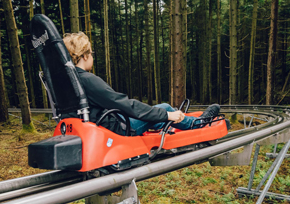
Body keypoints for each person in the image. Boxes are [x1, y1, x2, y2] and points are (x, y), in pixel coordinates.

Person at [62, 32, 220, 136]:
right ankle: (198, 124)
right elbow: (125, 105)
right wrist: (167, 115)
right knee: (164, 107)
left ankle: (161, 124)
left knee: (156, 113)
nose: (92, 57)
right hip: (118, 129)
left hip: (98, 126)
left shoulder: (68, 83)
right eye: (91, 54)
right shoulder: (88, 80)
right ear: (84, 56)